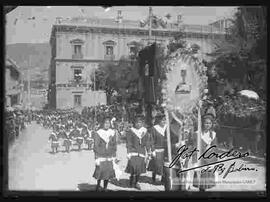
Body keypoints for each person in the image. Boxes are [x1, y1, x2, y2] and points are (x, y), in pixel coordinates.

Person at [192, 111, 218, 192]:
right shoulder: (197, 134)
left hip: (209, 160)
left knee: (206, 183)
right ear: (202, 123)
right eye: (206, 123)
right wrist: (195, 161)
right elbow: (194, 148)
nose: (208, 125)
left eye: (209, 123)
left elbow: (215, 149)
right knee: (201, 183)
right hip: (200, 160)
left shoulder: (213, 134)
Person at [125, 115, 151, 190]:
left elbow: (147, 142)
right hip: (133, 152)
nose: (138, 124)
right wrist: (128, 152)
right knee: (133, 167)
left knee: (139, 169)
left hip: (141, 152)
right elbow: (129, 142)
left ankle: (136, 182)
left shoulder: (145, 131)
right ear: (134, 123)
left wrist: (149, 151)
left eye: (140, 122)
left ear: (142, 123)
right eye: (137, 122)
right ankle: (132, 177)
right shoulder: (131, 131)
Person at [93, 117, 117, 191]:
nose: (107, 125)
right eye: (105, 123)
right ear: (102, 124)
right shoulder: (98, 133)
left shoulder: (112, 132)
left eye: (108, 123)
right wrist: (97, 157)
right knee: (100, 171)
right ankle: (98, 185)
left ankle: (105, 187)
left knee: (107, 172)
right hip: (101, 155)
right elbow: (96, 146)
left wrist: (114, 155)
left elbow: (114, 144)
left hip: (109, 155)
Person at [147, 113, 167, 184]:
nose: (164, 122)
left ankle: (163, 179)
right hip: (157, 149)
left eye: (165, 120)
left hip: (165, 150)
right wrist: (153, 150)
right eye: (162, 120)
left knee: (165, 165)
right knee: (156, 165)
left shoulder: (167, 128)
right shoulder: (154, 128)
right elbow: (151, 140)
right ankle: (153, 178)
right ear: (159, 121)